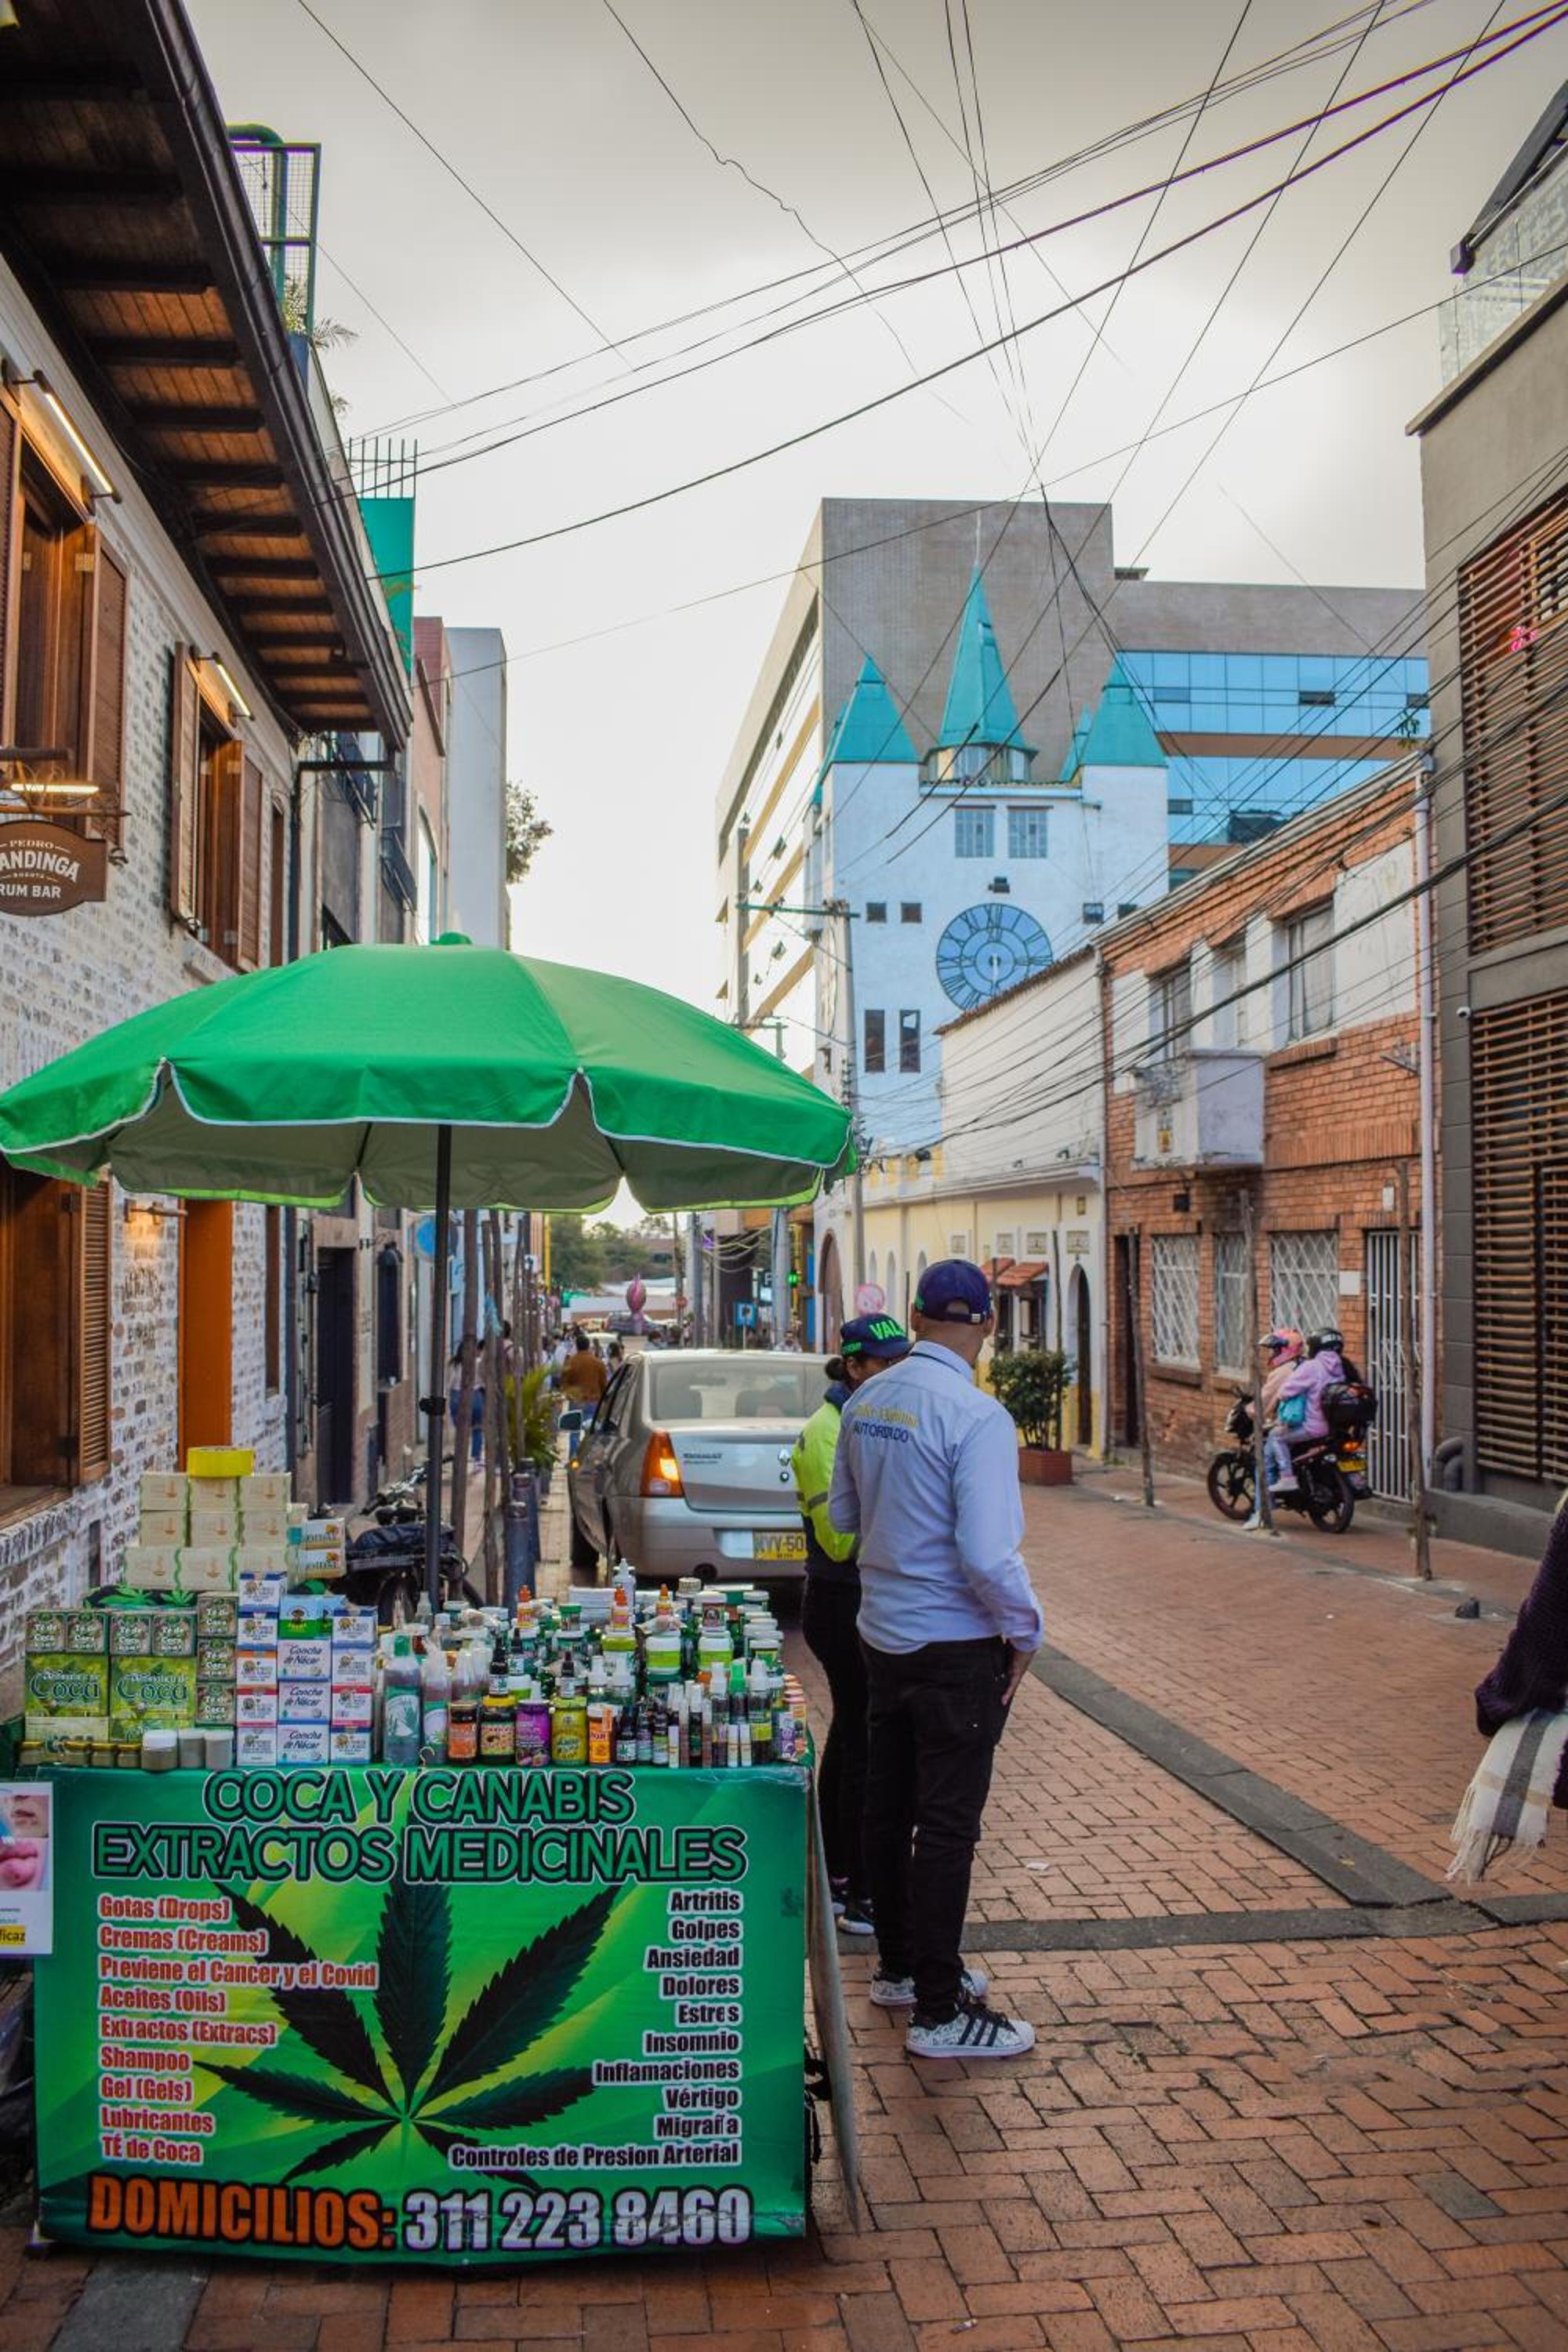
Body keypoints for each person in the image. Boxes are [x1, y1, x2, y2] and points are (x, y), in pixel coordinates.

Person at [829, 1259, 1044, 2062]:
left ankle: (897, 1966)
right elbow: (987, 1555)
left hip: (880, 1631)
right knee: (948, 1825)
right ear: (985, 1325)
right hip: (954, 1645)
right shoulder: (976, 1415)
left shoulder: (866, 1399)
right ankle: (937, 2008)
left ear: (913, 1317)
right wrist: (1024, 1632)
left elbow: (844, 1517)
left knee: (886, 1809)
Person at [790, 1315, 912, 1936]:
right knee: (863, 1739)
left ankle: (841, 1872)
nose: (894, 1374)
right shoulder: (825, 1431)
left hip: (866, 1598)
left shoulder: (870, 1423)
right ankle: (851, 1882)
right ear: (855, 1367)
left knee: (856, 1735)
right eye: (883, 1365)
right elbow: (839, 1541)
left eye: (901, 1363)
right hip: (840, 1603)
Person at [1270, 1326, 1357, 1494]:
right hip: (1334, 1426)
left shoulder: (1312, 1367)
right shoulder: (1341, 1367)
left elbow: (1286, 1391)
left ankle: (1287, 1478)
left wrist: (1283, 1398)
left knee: (1276, 1437)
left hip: (1314, 1427)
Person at [1258, 1327, 1305, 1494]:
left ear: (1285, 1349)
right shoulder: (1305, 1364)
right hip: (1310, 1421)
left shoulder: (1283, 1371)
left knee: (1265, 1462)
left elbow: (1264, 1403)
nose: (1272, 1353)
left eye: (1275, 1350)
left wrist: (1250, 1411)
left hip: (1295, 1423)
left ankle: (1263, 1511)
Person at [561, 1328, 608, 1464]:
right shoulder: (598, 1363)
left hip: (576, 1402)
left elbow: (564, 1383)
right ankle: (593, 1460)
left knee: (574, 1433)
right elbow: (604, 1384)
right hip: (594, 1402)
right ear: (589, 1346)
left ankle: (574, 1460)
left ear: (576, 1346)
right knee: (593, 1433)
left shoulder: (571, 1362)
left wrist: (569, 1395)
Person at [448, 1339, 485, 1464]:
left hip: (456, 1396)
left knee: (461, 1431)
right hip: (476, 1395)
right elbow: (483, 1381)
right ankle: (476, 1459)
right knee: (477, 1429)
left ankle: (461, 1457)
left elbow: (449, 1383)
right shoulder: (478, 1363)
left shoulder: (454, 1364)